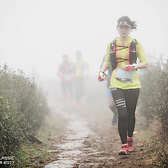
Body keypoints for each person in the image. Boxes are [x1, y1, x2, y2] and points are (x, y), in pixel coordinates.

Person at [98, 16, 148, 155]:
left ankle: (130, 139)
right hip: (116, 83)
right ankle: (124, 145)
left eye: (126, 27)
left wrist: (134, 66)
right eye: (121, 27)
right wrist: (102, 71)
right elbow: (107, 60)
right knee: (122, 113)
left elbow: (144, 62)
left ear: (130, 28)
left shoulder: (135, 43)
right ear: (117, 28)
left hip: (133, 84)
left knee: (130, 113)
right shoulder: (112, 43)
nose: (124, 30)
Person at [100, 55, 118, 126]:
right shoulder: (107, 56)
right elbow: (102, 69)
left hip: (122, 82)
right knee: (111, 104)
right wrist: (104, 76)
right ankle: (116, 114)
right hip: (110, 83)